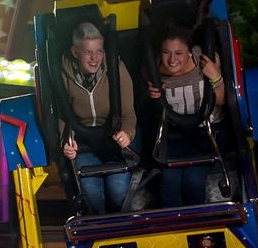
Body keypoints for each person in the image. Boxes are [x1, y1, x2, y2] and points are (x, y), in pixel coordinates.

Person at [61, 21, 137, 214]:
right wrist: (66, 139)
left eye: (100, 51)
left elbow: (129, 112)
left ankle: (119, 227)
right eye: (88, 52)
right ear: (75, 51)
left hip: (112, 140)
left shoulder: (116, 68)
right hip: (84, 141)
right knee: (92, 193)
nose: (95, 58)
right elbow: (60, 115)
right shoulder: (63, 74)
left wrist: (127, 132)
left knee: (118, 191)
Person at [147, 21, 226, 207]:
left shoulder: (204, 59)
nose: (172, 60)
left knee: (192, 182)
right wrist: (151, 94)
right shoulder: (154, 67)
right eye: (166, 52)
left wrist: (216, 77)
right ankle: (171, 231)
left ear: (189, 51)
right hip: (176, 134)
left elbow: (222, 101)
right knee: (169, 183)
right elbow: (150, 103)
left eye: (179, 53)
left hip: (207, 131)